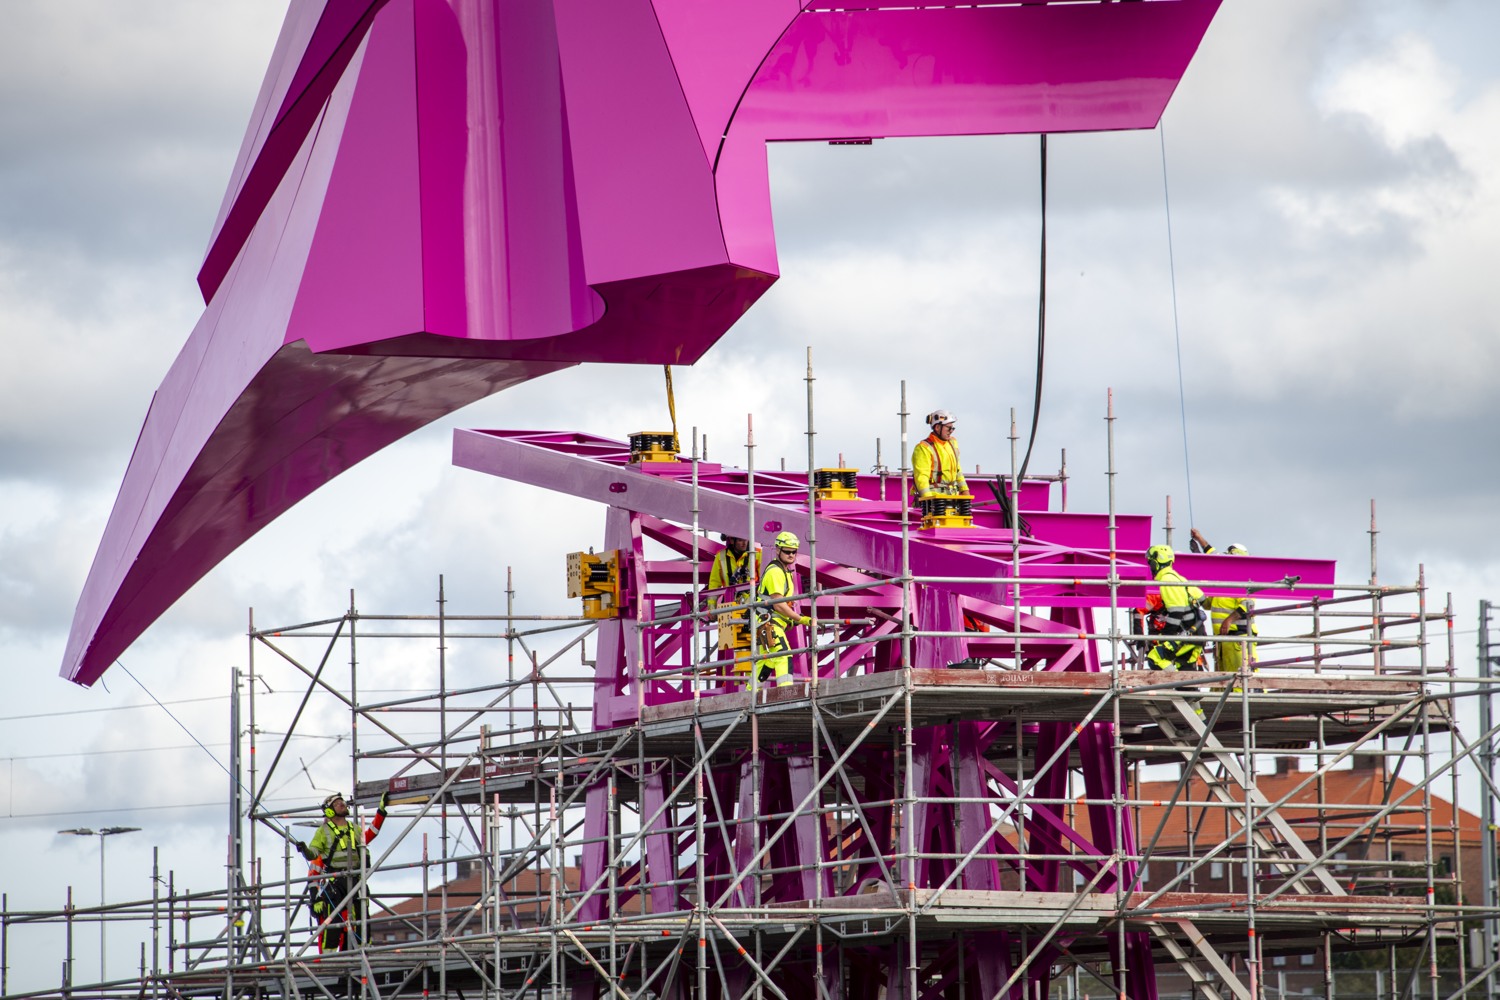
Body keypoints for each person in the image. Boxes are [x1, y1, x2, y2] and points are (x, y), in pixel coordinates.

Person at [298, 791, 387, 951]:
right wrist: (304, 849)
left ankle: (362, 953)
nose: (343, 804)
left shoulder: (354, 828)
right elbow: (313, 855)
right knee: (333, 923)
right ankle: (329, 960)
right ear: (330, 811)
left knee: (362, 919)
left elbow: (371, 833)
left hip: (355, 880)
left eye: (343, 802)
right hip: (335, 883)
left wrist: (381, 812)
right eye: (338, 803)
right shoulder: (323, 831)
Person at [1190, 528, 1258, 674]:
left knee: (1243, 679)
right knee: (1226, 682)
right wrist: (1194, 589)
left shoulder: (1243, 580)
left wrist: (1228, 620)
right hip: (1224, 642)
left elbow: (1248, 605)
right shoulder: (1224, 582)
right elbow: (1209, 604)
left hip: (1240, 640)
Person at [755, 530, 811, 688]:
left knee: (767, 662)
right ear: (778, 550)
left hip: (766, 623)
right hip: (768, 623)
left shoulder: (784, 572)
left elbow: (781, 605)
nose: (791, 555)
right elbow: (779, 604)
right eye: (787, 551)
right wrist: (799, 619)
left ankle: (748, 695)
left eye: (794, 552)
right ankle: (786, 693)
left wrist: (790, 619)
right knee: (783, 655)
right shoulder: (775, 572)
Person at [1143, 544, 1207, 670]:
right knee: (1184, 667)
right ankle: (1182, 687)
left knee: (1155, 658)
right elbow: (1201, 598)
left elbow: (1176, 613)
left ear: (1157, 562)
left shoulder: (1167, 580)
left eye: (1150, 563)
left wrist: (1167, 636)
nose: (1150, 567)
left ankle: (1172, 683)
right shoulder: (1179, 578)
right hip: (1195, 633)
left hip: (1186, 634)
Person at [911, 410, 968, 500]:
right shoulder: (923, 448)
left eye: (953, 428)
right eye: (948, 428)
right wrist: (929, 501)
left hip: (952, 499)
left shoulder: (952, 443)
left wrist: (965, 492)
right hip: (934, 502)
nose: (951, 431)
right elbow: (921, 478)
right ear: (937, 427)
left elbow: (957, 471)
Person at [707, 535, 758, 609]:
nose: (744, 543)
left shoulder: (757, 554)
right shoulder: (721, 557)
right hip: (730, 603)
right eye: (740, 540)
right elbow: (714, 583)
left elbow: (764, 579)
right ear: (731, 541)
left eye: (746, 540)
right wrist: (712, 607)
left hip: (752, 604)